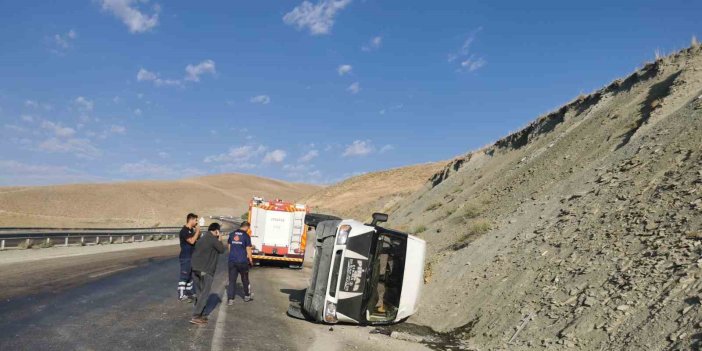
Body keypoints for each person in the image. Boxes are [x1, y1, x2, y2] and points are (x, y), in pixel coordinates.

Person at [190, 222, 225, 325]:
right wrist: (220, 239)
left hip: (195, 268)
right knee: (205, 293)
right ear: (216, 231)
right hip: (205, 270)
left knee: (199, 292)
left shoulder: (202, 239)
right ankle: (196, 316)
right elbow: (222, 250)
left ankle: (201, 314)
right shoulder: (213, 239)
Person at [227, 221, 254, 305]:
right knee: (245, 279)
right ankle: (246, 296)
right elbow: (248, 249)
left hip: (232, 261)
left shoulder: (232, 234)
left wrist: (232, 255)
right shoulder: (246, 236)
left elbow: (229, 246)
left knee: (232, 281)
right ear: (246, 227)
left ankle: (231, 299)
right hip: (242, 261)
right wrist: (250, 260)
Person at [178, 213, 201, 302]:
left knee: (190, 276)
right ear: (191, 220)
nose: (196, 222)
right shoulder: (184, 231)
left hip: (192, 257)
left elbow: (196, 239)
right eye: (195, 220)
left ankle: (189, 293)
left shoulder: (191, 230)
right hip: (185, 257)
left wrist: (197, 232)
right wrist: (197, 231)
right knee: (184, 276)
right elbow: (191, 241)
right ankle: (181, 294)